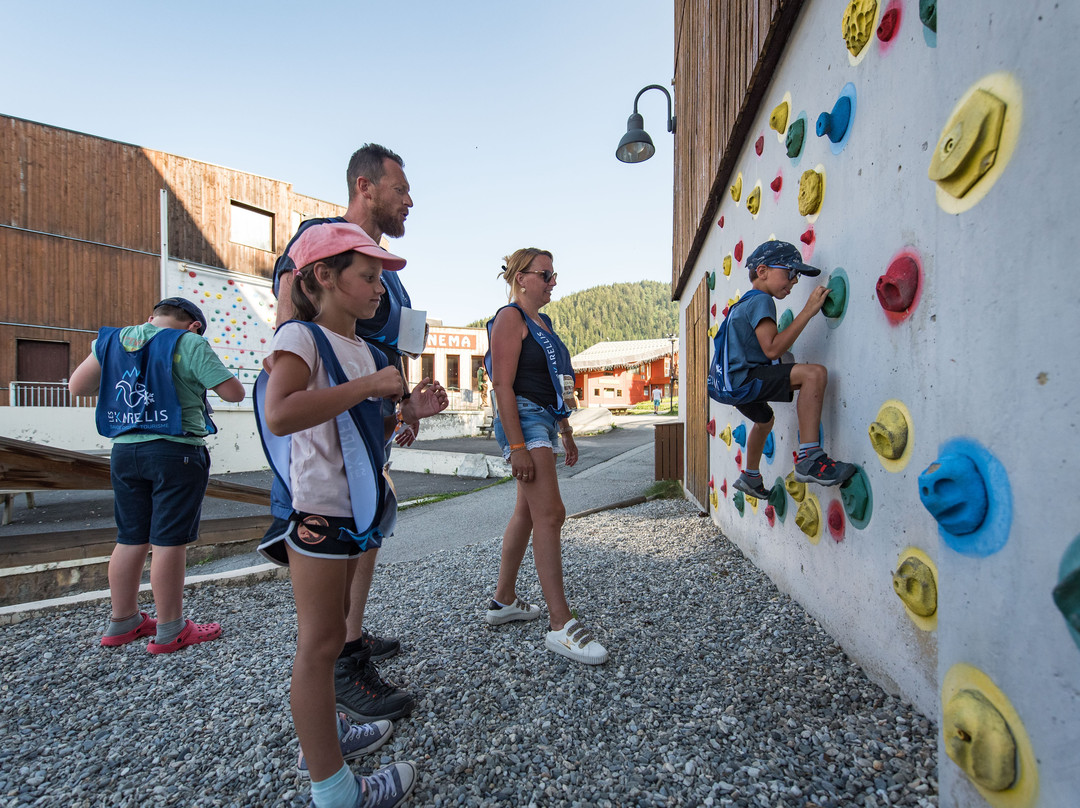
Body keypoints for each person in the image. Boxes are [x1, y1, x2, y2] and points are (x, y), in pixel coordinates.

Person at [259, 221, 446, 808]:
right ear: (323, 277)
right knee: (318, 647)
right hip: (317, 513)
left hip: (350, 513)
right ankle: (335, 789)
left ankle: (327, 733)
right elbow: (281, 412)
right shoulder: (301, 340)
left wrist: (408, 410)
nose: (379, 292)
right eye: (368, 278)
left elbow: (364, 426)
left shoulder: (363, 348)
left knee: (335, 632)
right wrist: (369, 386)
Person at [269, 144, 423, 724]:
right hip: (326, 426)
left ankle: (349, 642)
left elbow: (397, 345)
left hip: (366, 422)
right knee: (330, 556)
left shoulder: (382, 272)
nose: (409, 201)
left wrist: (406, 402)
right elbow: (292, 328)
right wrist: (299, 361)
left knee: (367, 527)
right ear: (366, 186)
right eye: (400, 190)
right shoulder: (320, 241)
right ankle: (340, 662)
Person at [68, 297, 245, 653]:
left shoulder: (111, 341)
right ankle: (171, 629)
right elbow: (234, 393)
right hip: (174, 451)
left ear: (152, 318)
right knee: (168, 541)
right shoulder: (189, 341)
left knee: (131, 537)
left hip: (124, 451)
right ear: (194, 324)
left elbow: (78, 387)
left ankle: (123, 621)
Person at [484, 248, 609, 665]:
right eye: (545, 275)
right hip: (523, 418)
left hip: (544, 419)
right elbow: (503, 385)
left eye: (555, 274)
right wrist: (518, 447)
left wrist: (567, 430)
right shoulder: (509, 318)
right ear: (521, 278)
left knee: (527, 511)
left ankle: (503, 601)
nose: (553, 281)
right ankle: (560, 624)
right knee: (551, 513)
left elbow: (557, 384)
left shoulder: (545, 324)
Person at [725, 240, 856, 501]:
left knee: (765, 421)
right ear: (762, 272)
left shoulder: (742, 304)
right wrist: (808, 311)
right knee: (814, 374)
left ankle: (750, 475)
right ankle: (810, 456)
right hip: (746, 382)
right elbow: (772, 349)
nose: (794, 281)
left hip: (732, 386)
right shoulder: (762, 300)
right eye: (790, 273)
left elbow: (758, 351)